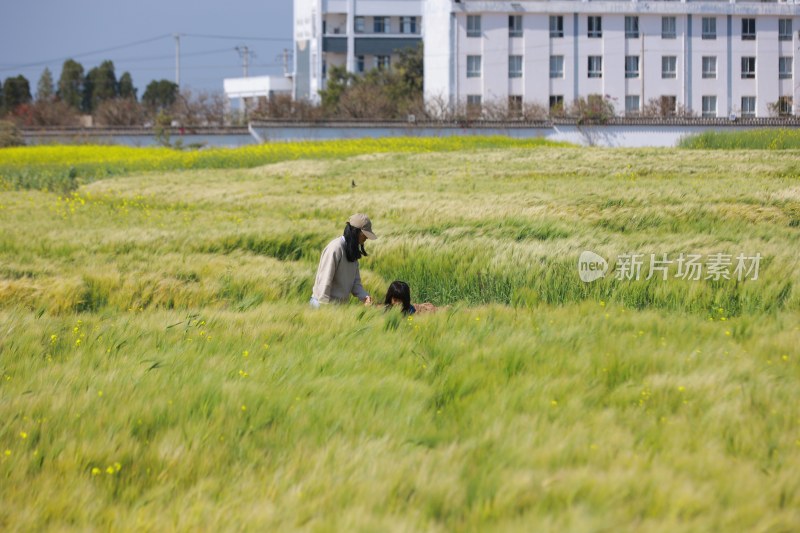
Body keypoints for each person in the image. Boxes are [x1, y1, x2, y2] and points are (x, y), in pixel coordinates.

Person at [310, 213, 376, 308]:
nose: (367, 237)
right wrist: (324, 308)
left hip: (339, 307)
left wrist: (365, 296)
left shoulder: (352, 250)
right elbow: (325, 280)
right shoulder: (335, 248)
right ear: (356, 232)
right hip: (322, 304)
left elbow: (355, 282)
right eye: (365, 234)